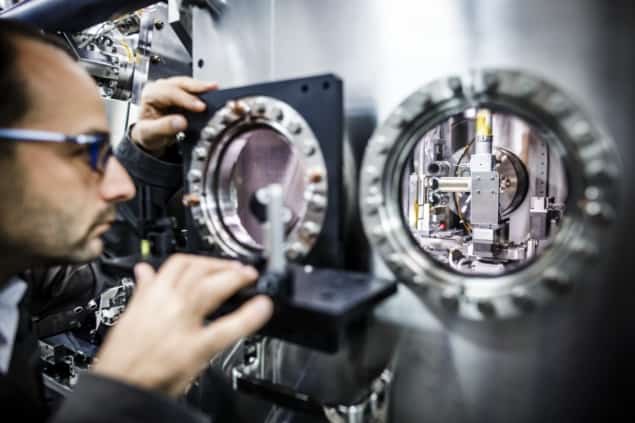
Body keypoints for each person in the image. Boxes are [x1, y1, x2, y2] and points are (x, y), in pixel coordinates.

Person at [0, 19, 274, 422]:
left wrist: (146, 151)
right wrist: (119, 399)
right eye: (85, 151)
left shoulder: (12, 278)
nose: (121, 186)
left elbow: (87, 259)